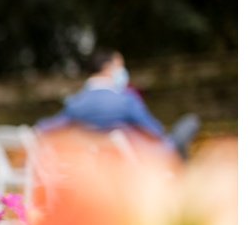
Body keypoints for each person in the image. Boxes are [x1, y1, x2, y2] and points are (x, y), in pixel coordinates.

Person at [36, 49, 198, 158]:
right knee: (189, 125)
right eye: (120, 66)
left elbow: (47, 127)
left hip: (98, 166)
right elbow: (154, 131)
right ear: (107, 68)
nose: (123, 72)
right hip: (139, 160)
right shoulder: (126, 100)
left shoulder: (76, 103)